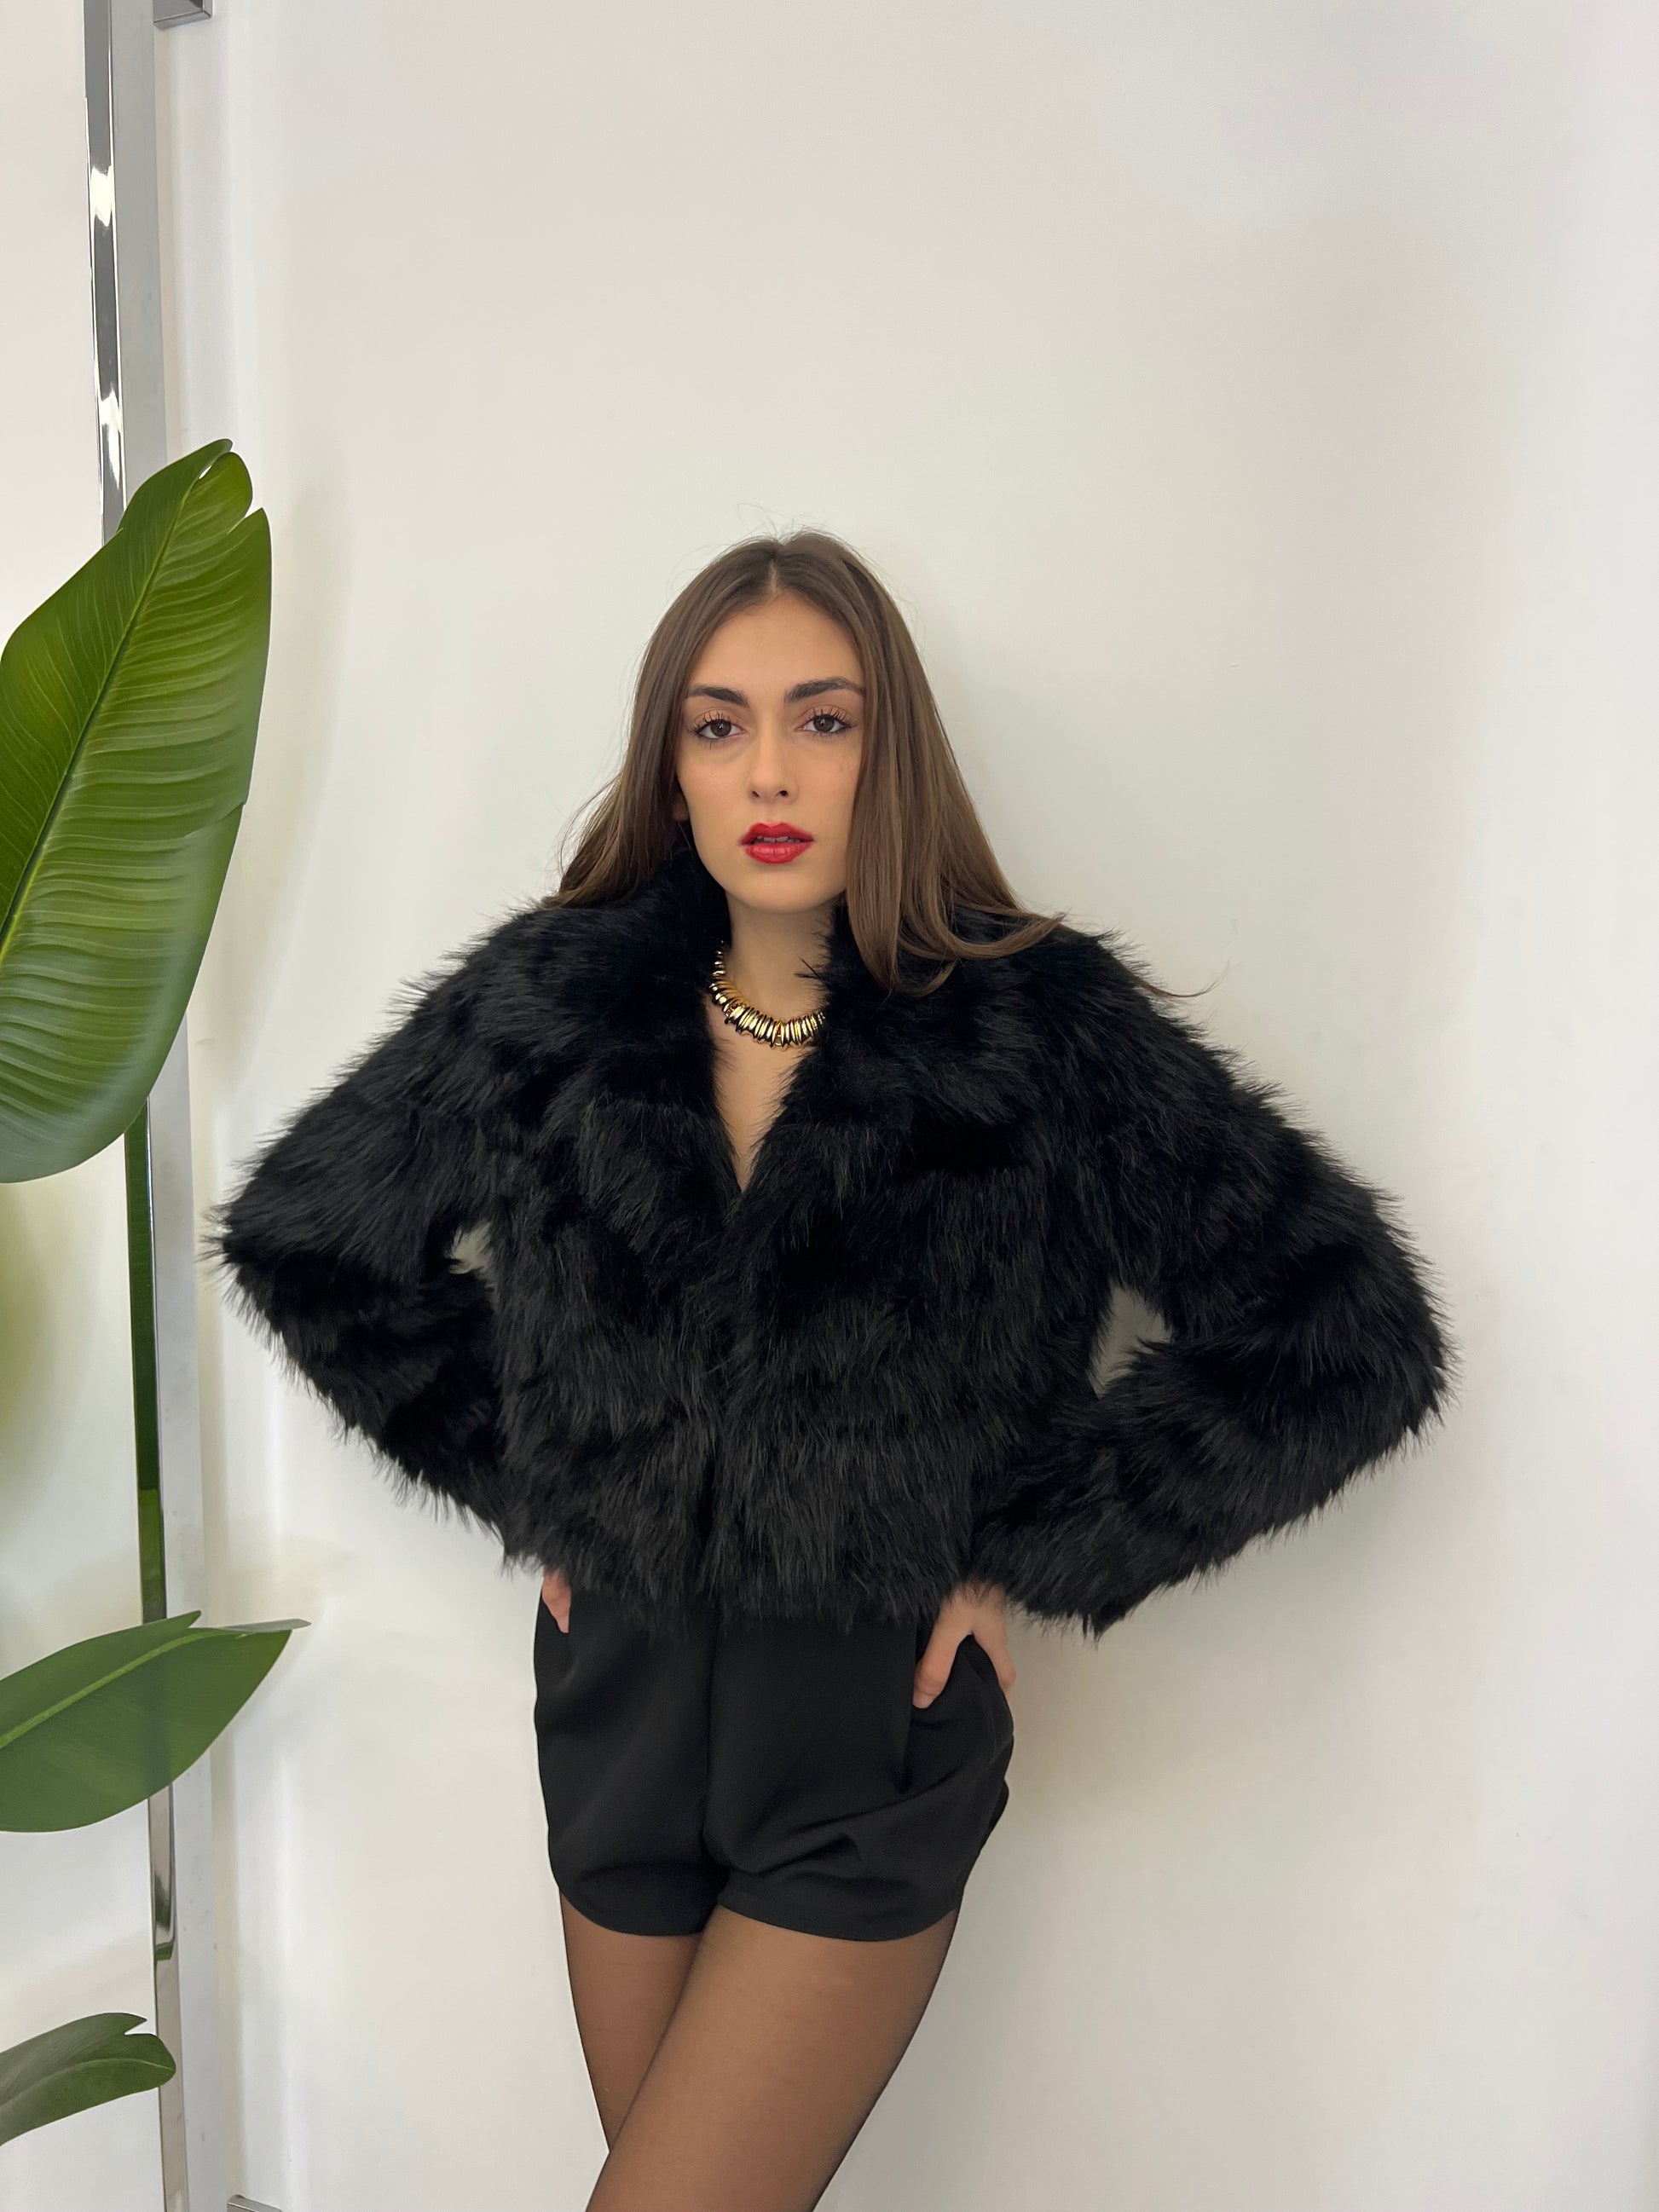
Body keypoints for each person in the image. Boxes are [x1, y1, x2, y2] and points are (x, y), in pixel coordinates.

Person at [205, 532, 1455, 2211]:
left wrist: (1027, 1549)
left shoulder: (1038, 1029)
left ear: (891, 748)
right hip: (619, 1701)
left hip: (872, 1726)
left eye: (823, 719)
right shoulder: (550, 1005)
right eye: (718, 726)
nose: (771, 772)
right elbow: (307, 1238)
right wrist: (545, 1483)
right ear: (670, 763)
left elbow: (1343, 1331)